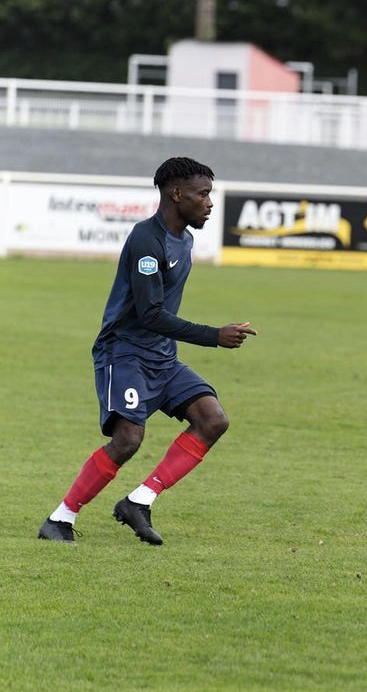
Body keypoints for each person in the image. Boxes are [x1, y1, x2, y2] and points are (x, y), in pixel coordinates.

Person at [37, 157, 256, 544]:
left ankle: (139, 501)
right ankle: (60, 519)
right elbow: (151, 314)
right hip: (123, 353)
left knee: (212, 419)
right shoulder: (146, 240)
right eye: (202, 194)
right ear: (176, 194)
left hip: (161, 356)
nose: (209, 203)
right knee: (128, 440)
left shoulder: (185, 239)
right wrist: (214, 336)